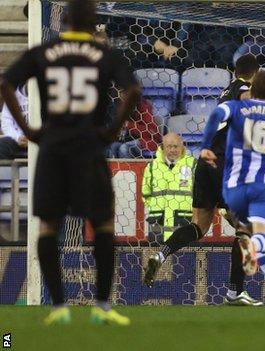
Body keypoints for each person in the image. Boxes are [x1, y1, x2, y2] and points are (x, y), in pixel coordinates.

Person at [0, 0, 141, 325]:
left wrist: (28, 130)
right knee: (103, 222)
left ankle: (59, 307)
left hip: (52, 146)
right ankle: (102, 306)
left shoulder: (45, 51)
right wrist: (112, 131)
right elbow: (131, 91)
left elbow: (6, 84)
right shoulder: (105, 54)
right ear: (92, 22)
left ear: (63, 22)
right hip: (89, 146)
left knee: (49, 224)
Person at [142, 55, 265, 307]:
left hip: (205, 162)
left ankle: (161, 254)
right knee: (245, 229)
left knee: (198, 226)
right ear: (254, 76)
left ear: (235, 71)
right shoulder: (242, 88)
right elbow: (247, 97)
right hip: (225, 164)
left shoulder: (227, 90)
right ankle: (235, 292)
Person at [200, 71, 265, 307]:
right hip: (263, 187)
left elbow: (216, 114)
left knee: (252, 230)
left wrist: (206, 146)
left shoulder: (237, 107)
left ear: (252, 89)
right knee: (262, 239)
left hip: (234, 187)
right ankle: (253, 248)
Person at [142, 133, 195, 242]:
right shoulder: (152, 166)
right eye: (169, 146)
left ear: (182, 147)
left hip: (184, 219)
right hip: (157, 221)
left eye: (175, 146)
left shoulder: (192, 164)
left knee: (186, 254)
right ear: (162, 147)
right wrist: (154, 205)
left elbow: (200, 191)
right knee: (156, 254)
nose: (172, 150)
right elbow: (145, 192)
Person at [0, 84, 28, 159]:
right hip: (19, 141)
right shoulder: (12, 96)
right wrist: (18, 137)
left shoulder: (45, 96)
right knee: (2, 145)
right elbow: (6, 124)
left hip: (41, 141)